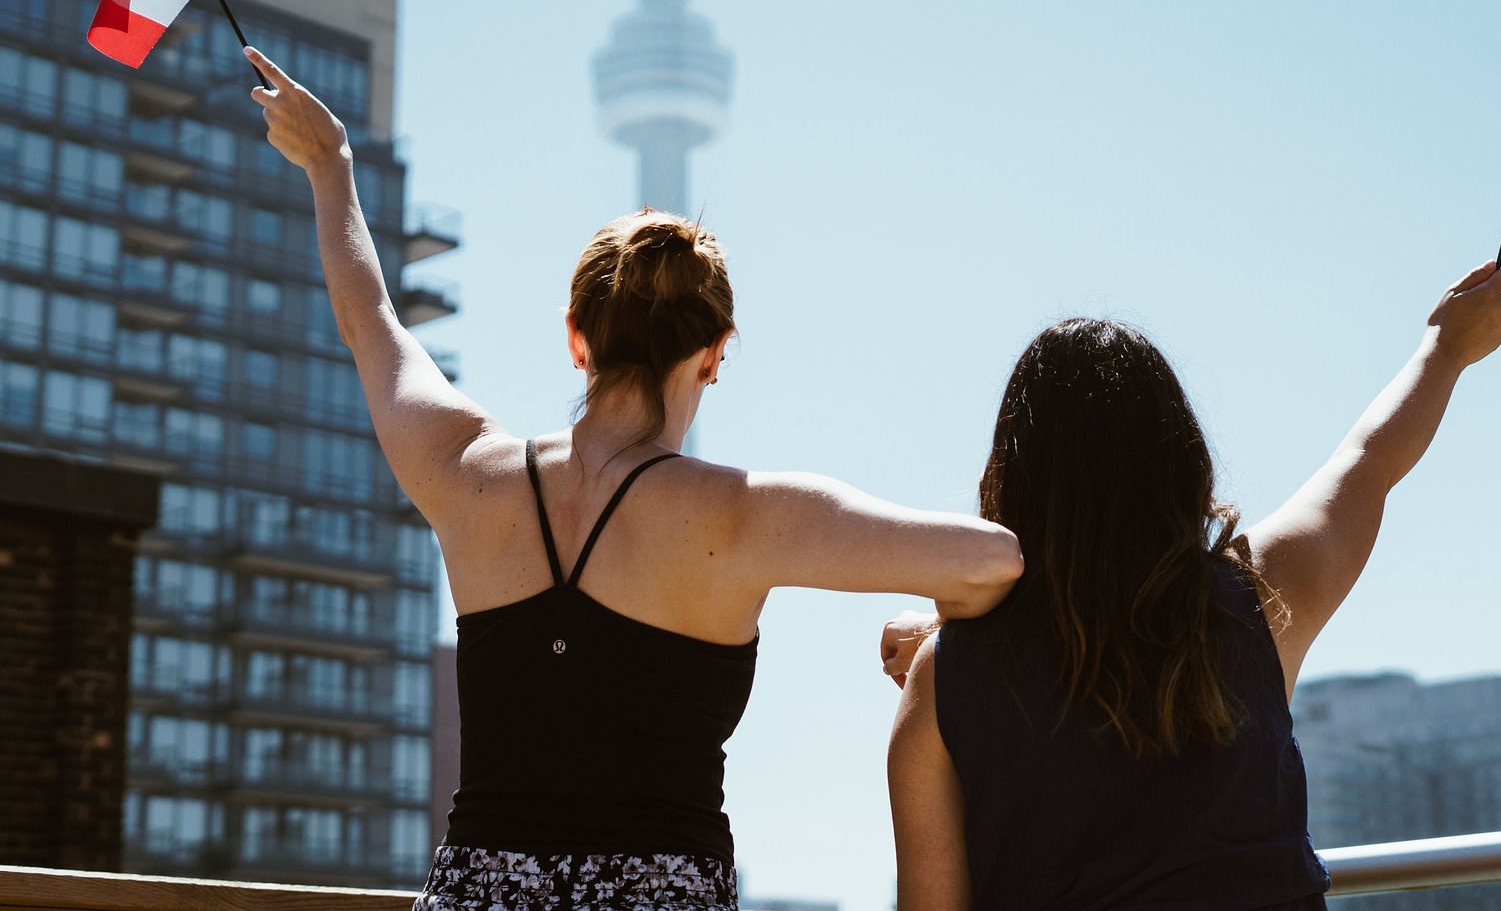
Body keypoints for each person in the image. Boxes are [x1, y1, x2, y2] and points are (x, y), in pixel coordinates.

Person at [245, 47, 1024, 911]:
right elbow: (991, 561)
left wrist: (331, 165)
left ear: (577, 338)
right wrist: (933, 635)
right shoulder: (746, 516)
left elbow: (372, 324)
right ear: (716, 355)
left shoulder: (466, 473)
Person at [881, 265, 1501, 911]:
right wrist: (1445, 348)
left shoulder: (945, 680)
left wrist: (947, 647)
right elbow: (1366, 463)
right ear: (1178, 457)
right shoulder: (1259, 602)